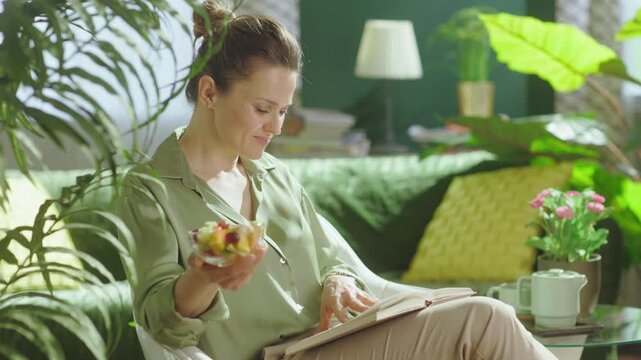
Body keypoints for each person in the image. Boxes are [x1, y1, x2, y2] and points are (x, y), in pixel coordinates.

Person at [118, 1, 557, 359]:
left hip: (331, 340)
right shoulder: (151, 189)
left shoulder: (275, 175)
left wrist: (337, 281)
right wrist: (206, 275)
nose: (275, 127)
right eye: (262, 109)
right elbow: (160, 324)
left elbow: (332, 258)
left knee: (486, 315)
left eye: (284, 111)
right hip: (274, 356)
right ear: (211, 93)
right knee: (483, 319)